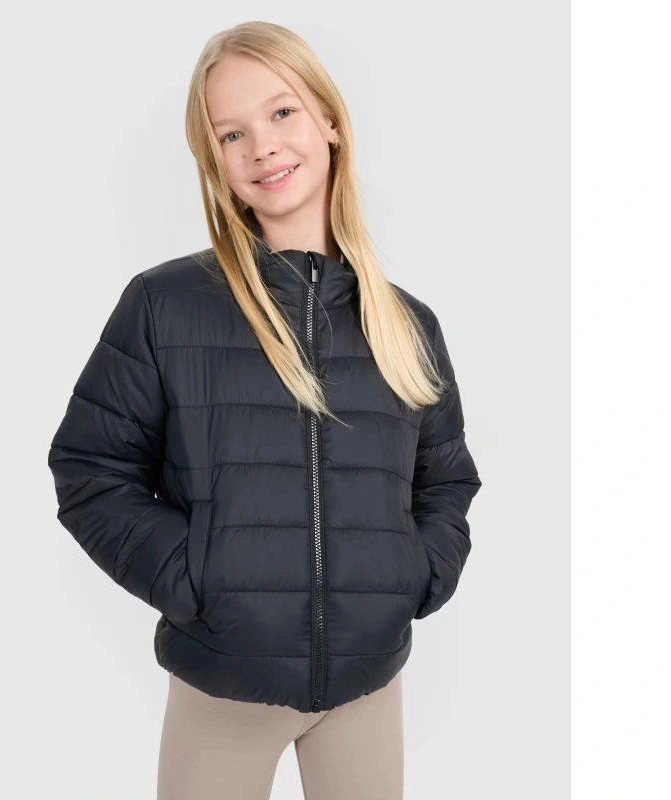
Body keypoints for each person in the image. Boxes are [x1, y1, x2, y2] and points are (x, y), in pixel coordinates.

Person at [47, 20, 482, 800]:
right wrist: (198, 580)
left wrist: (412, 578)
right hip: (225, 686)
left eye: (282, 112)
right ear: (213, 159)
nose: (262, 146)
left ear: (330, 121)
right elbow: (90, 471)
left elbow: (446, 480)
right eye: (231, 133)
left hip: (368, 684)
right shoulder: (166, 305)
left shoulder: (406, 323)